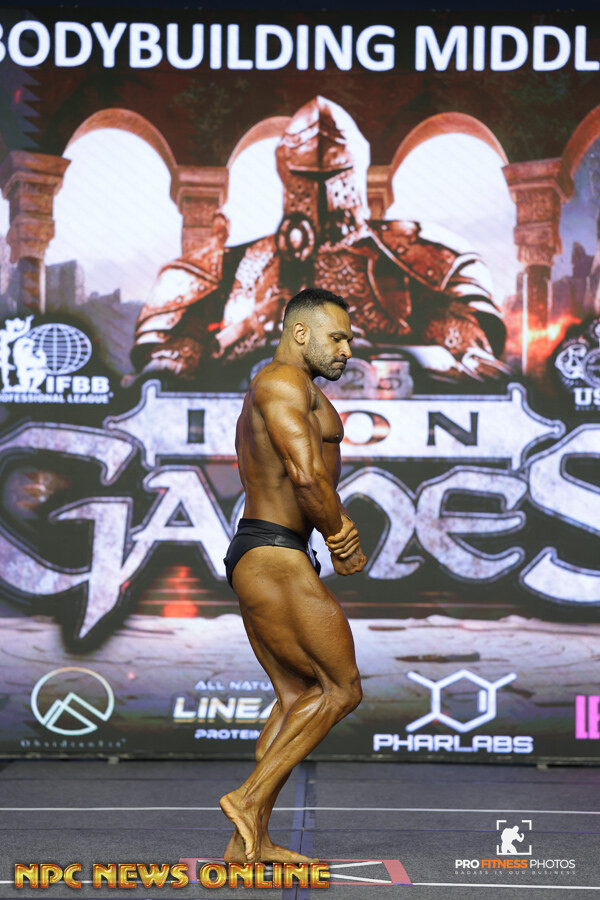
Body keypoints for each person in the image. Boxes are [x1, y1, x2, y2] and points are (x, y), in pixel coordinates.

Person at [130, 96, 508, 386]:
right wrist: (183, 354)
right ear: (286, 172)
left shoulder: (415, 255)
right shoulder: (234, 265)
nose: (322, 190)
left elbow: (456, 329)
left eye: (335, 175)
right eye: (307, 178)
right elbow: (182, 346)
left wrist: (463, 351)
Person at [220, 287, 367, 864]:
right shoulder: (280, 382)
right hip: (273, 552)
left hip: (272, 552)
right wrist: (339, 535)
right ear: (299, 332)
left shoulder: (299, 387)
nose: (347, 350)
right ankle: (247, 799)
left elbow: (309, 474)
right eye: (337, 337)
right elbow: (305, 475)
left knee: (295, 698)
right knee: (341, 688)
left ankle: (246, 844)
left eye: (349, 339)